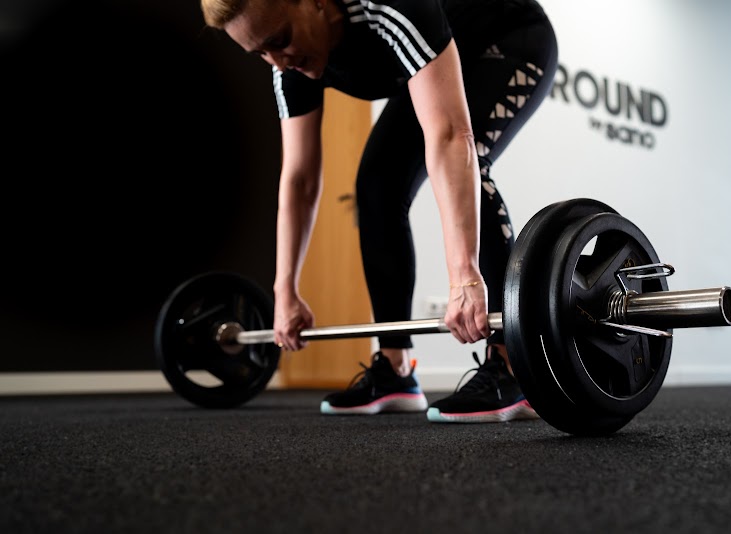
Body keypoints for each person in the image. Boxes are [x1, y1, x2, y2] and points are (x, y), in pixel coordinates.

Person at [200, 0, 558, 422]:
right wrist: (285, 291)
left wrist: (463, 277)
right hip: (434, 60)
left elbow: (447, 136)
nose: (277, 60)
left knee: (469, 156)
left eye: (279, 40)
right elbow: (299, 179)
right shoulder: (287, 66)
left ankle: (513, 366)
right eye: (259, 52)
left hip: (507, 36)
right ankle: (396, 368)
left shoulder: (388, 6)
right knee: (377, 184)